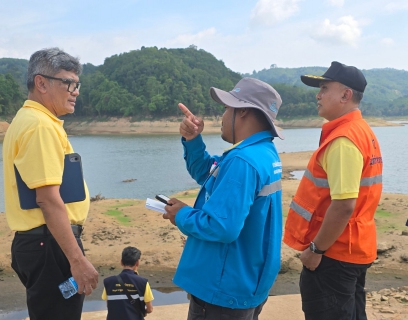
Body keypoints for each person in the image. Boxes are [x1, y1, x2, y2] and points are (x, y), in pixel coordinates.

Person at [162, 77, 284, 320]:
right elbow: (208, 173)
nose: (222, 116)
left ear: (244, 112)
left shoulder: (243, 161)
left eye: (227, 108)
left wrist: (182, 214)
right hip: (247, 281)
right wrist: (193, 140)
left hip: (223, 288)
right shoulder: (262, 152)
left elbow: (222, 227)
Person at [2, 47, 98, 320]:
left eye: (76, 83)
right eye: (67, 82)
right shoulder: (39, 126)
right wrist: (77, 260)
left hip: (43, 243)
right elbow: (47, 198)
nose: (75, 90)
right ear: (41, 83)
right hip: (50, 244)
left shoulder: (30, 120)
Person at [283, 61, 383, 320]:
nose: (318, 94)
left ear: (345, 95)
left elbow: (344, 205)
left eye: (324, 87)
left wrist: (316, 251)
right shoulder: (361, 131)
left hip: (334, 255)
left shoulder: (344, 140)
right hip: (353, 249)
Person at [102, 246, 154, 320]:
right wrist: (143, 311)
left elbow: (109, 305)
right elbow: (150, 309)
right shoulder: (143, 283)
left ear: (121, 262)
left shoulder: (108, 282)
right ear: (137, 263)